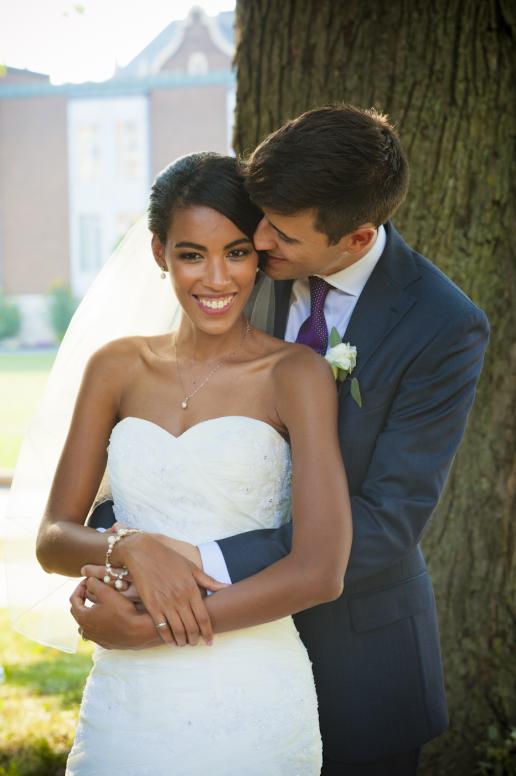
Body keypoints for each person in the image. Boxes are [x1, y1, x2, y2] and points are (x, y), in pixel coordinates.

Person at [79, 105, 490, 775]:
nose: (257, 241)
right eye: (258, 221)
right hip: (206, 673)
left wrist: (195, 562)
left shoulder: (443, 328)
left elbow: (388, 520)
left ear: (356, 239)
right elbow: (150, 445)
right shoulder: (240, 267)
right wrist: (132, 547)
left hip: (361, 659)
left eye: (280, 235)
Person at [35, 152, 352, 775]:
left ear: (260, 253)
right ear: (159, 253)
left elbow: (320, 572)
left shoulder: (295, 373)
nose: (216, 279)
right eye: (191, 254)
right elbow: (52, 540)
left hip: (252, 687)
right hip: (128, 704)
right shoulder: (116, 367)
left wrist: (152, 628)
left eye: (236, 252)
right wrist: (131, 546)